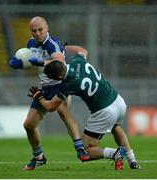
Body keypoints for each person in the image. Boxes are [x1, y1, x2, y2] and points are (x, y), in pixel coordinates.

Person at [28, 48, 140, 170]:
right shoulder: (77, 61)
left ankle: (114, 153)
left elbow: (50, 107)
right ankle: (132, 161)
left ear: (59, 76)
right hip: (118, 101)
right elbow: (83, 50)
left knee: (84, 150)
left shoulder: (67, 84)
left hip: (104, 110)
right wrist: (64, 48)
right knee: (115, 127)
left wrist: (39, 97)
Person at [9, 16, 90, 170]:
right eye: (34, 31)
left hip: (60, 83)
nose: (37, 33)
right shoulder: (31, 44)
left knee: (63, 112)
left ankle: (80, 148)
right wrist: (20, 63)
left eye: (40, 30)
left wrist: (38, 62)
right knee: (28, 125)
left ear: (47, 29)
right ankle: (39, 157)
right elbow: (29, 60)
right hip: (45, 88)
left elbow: (58, 61)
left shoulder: (53, 44)